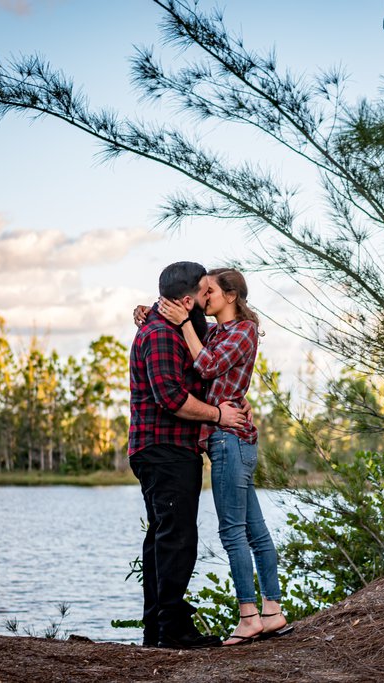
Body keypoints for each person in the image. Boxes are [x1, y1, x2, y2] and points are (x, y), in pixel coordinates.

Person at [155, 268, 292, 646]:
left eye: (209, 290)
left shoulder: (242, 330)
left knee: (233, 532)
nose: (204, 297)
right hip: (229, 439)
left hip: (229, 439)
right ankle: (272, 612)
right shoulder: (216, 331)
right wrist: (147, 311)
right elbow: (211, 368)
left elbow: (208, 366)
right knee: (255, 530)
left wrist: (183, 324)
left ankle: (248, 617)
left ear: (230, 295)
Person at [128, 261, 247, 650]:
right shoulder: (161, 335)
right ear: (185, 299)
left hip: (167, 449)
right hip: (163, 449)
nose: (207, 297)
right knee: (177, 539)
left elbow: (219, 340)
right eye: (203, 291)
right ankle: (172, 632)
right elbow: (172, 399)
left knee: (163, 538)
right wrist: (219, 415)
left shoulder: (180, 327)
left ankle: (157, 630)